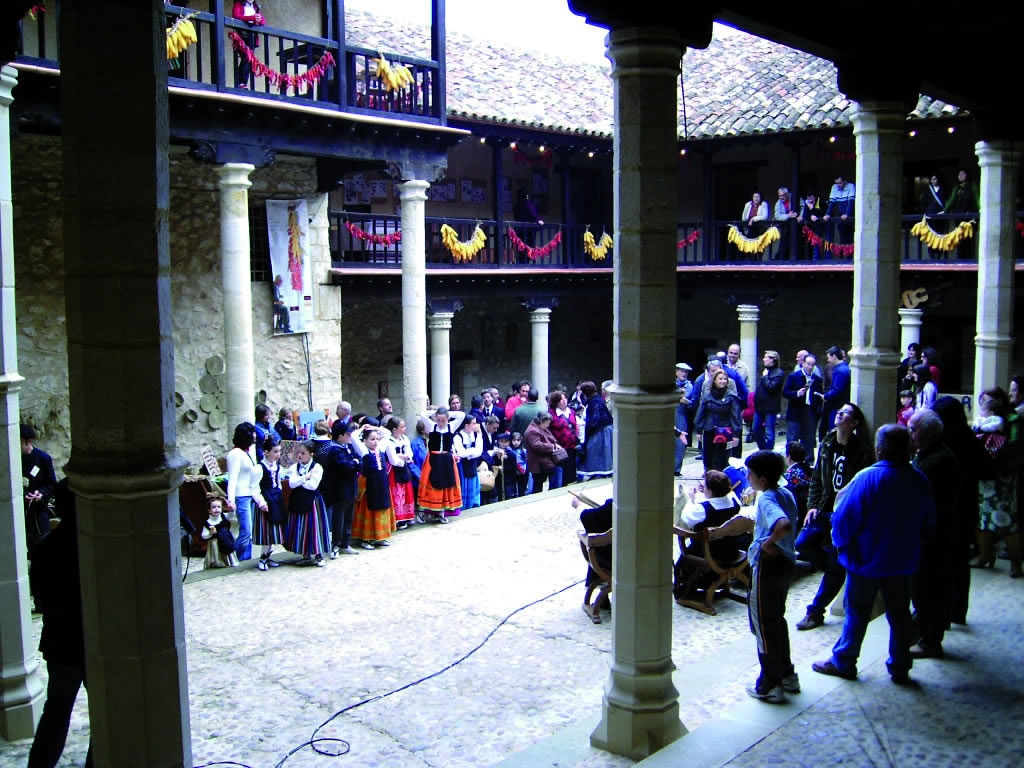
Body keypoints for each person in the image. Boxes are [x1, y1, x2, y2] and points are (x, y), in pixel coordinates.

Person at [811, 425, 936, 685]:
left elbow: (844, 520)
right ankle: (900, 665)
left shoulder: (866, 479)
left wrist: (842, 546)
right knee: (900, 614)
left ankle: (845, 661)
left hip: (864, 561)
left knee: (856, 612)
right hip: (902, 562)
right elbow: (928, 522)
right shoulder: (919, 479)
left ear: (879, 449)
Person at [708, 451, 799, 702]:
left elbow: (782, 525)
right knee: (776, 620)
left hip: (769, 566)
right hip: (786, 563)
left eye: (750, 474)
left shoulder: (768, 498)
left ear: (762, 478)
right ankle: (787, 674)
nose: (747, 477)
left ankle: (770, 684)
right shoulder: (785, 492)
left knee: (763, 625)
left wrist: (768, 544)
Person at [27, 480, 93, 768]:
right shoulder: (95, 548)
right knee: (106, 713)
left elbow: (39, 600)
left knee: (56, 711)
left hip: (59, 641)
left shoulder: (43, 548)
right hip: (91, 641)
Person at [795, 403, 874, 631]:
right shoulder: (828, 443)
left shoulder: (861, 451)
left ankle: (815, 610)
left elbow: (861, 488)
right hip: (822, 509)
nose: (839, 414)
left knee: (835, 563)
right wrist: (812, 506)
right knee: (803, 544)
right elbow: (818, 478)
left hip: (844, 514)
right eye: (839, 411)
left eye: (845, 412)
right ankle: (835, 568)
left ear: (854, 423)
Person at [908, 408, 961, 660]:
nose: (910, 434)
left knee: (929, 587)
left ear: (926, 434)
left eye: (913, 429)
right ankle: (926, 631)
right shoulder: (929, 455)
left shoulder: (938, 462)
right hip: (931, 535)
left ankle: (930, 640)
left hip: (933, 538)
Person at [972, 387, 1021, 577]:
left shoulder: (1013, 421)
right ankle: (986, 554)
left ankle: (1016, 562)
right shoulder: (984, 422)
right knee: (981, 517)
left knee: (1007, 519)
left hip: (1004, 476)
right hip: (985, 477)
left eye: (988, 401)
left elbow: (1014, 448)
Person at [284, 440, 331, 567]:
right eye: (298, 453)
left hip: (312, 501)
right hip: (298, 499)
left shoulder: (317, 467)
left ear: (311, 454)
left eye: (303, 453)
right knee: (301, 526)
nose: (299, 455)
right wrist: (305, 477)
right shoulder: (294, 467)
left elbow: (312, 486)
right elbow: (291, 483)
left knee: (314, 526)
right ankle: (306, 553)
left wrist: (300, 480)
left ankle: (319, 554)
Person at [226, 421, 267, 562]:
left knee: (248, 533)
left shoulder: (246, 453)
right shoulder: (235, 454)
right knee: (246, 531)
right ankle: (234, 557)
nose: (255, 435)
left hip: (249, 494)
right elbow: (232, 478)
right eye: (253, 433)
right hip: (240, 496)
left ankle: (245, 558)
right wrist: (230, 500)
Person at [416, 405, 465, 523]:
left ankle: (442, 512)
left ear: (448, 419)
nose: (441, 422)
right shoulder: (432, 426)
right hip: (433, 459)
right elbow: (422, 414)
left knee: (445, 485)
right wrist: (435, 412)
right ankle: (422, 513)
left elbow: (462, 415)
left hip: (446, 460)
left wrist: (447, 413)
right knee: (431, 485)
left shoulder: (451, 426)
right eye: (438, 420)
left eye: (443, 420)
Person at [352, 428, 397, 550]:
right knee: (369, 511)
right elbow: (353, 436)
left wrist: (375, 428)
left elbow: (387, 433)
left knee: (382, 508)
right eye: (372, 439)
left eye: (377, 439)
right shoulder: (364, 451)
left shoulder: (381, 449)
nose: (375, 442)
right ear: (365, 441)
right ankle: (366, 539)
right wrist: (362, 428)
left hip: (381, 484)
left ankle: (380, 538)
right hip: (369, 485)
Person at [693, 369, 742, 473]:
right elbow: (701, 413)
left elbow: (735, 416)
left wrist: (736, 435)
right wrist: (698, 430)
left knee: (722, 459)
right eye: (720, 379)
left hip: (725, 431)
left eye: (725, 379)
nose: (723, 381)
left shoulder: (731, 397)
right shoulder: (707, 395)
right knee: (708, 458)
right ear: (714, 380)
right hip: (709, 429)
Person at [21, 423, 57, 554]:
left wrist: (41, 494)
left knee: (42, 548)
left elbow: (52, 484)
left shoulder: (43, 459)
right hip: (20, 511)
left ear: (27, 441)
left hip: (38, 511)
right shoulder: (13, 460)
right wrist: (23, 495)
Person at [255, 438, 287, 570]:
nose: (278, 454)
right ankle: (262, 558)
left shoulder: (277, 467)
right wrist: (261, 502)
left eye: (279, 451)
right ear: (266, 452)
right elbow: (253, 488)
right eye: (275, 452)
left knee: (274, 530)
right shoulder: (259, 468)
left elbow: (279, 483)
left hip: (276, 499)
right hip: (266, 499)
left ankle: (267, 556)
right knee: (267, 531)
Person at [783, 353, 822, 460]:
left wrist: (818, 411)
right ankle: (790, 460)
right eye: (808, 364)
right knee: (793, 438)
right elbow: (785, 392)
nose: (810, 367)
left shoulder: (817, 379)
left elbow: (818, 396)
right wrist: (797, 393)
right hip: (796, 411)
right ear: (803, 363)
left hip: (810, 410)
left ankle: (808, 463)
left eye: (812, 365)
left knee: (809, 438)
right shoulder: (793, 376)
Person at [384, 416, 416, 529]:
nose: (404, 429)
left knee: (406, 491)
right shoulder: (388, 441)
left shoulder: (404, 438)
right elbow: (392, 459)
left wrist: (404, 457)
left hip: (403, 468)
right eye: (401, 427)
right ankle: (398, 519)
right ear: (394, 429)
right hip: (393, 470)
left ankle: (407, 515)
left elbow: (410, 453)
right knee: (397, 493)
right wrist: (402, 459)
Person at [578, 380, 614, 480]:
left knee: (596, 451)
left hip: (602, 431)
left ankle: (600, 472)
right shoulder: (595, 400)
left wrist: (588, 429)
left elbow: (595, 419)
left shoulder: (596, 402)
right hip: (604, 429)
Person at [752, 350, 784, 451]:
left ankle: (768, 452)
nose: (764, 359)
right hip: (760, 406)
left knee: (769, 432)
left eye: (766, 357)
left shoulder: (778, 373)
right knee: (755, 429)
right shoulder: (766, 371)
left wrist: (765, 377)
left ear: (773, 360)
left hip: (770, 407)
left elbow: (771, 387)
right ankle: (763, 450)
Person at [524, 412, 561, 494]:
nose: (548, 426)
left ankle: (550, 493)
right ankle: (550, 494)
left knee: (539, 482)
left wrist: (555, 445)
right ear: (541, 421)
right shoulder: (532, 430)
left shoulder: (540, 427)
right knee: (538, 484)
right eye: (547, 423)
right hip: (538, 462)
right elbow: (537, 445)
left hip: (543, 460)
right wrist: (552, 447)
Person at [548, 390, 578, 488]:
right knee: (561, 475)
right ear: (556, 401)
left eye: (565, 398)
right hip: (560, 448)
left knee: (571, 473)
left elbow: (576, 426)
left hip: (572, 446)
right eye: (560, 399)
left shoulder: (572, 411)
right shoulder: (551, 414)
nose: (563, 401)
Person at [232, 0, 265, 89]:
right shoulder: (238, 4)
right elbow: (236, 16)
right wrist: (251, 18)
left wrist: (259, 19)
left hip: (252, 37)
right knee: (246, 58)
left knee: (249, 60)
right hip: (242, 36)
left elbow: (263, 22)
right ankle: (240, 82)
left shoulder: (255, 7)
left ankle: (242, 82)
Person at [454, 414, 484, 509]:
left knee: (474, 484)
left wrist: (470, 453)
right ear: (466, 425)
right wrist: (472, 451)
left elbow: (479, 451)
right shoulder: (458, 436)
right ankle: (463, 506)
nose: (476, 425)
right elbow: (461, 453)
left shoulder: (475, 435)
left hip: (472, 464)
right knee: (464, 485)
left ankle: (474, 504)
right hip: (463, 466)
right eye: (473, 423)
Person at [200, 495, 238, 569]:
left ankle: (231, 561)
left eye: (218, 507)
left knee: (229, 548)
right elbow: (203, 535)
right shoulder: (208, 522)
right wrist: (210, 533)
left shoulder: (223, 516)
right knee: (216, 552)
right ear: (209, 510)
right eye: (214, 507)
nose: (216, 509)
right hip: (215, 543)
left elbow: (231, 516)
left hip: (226, 540)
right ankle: (217, 563)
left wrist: (232, 510)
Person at [782, 441, 812, 527]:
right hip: (811, 507)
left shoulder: (789, 475)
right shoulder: (810, 468)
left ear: (789, 457)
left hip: (798, 513)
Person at [823, 175, 855, 246]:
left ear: (845, 182)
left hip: (850, 215)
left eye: (840, 183)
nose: (838, 185)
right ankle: (842, 256)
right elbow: (832, 203)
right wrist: (827, 214)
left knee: (849, 238)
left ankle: (849, 256)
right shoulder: (834, 187)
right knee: (842, 237)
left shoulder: (851, 186)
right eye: (836, 183)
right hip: (841, 215)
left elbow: (851, 202)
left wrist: (847, 214)